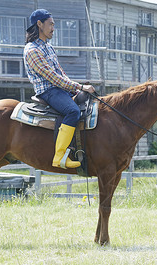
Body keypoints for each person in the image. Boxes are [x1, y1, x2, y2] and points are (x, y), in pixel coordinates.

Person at [24, 9, 95, 169]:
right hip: (48, 91)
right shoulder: (32, 50)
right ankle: (60, 156)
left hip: (59, 88)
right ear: (39, 24)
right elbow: (53, 78)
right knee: (73, 111)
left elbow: (60, 74)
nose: (53, 28)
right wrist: (80, 86)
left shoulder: (48, 47)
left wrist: (76, 89)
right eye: (51, 24)